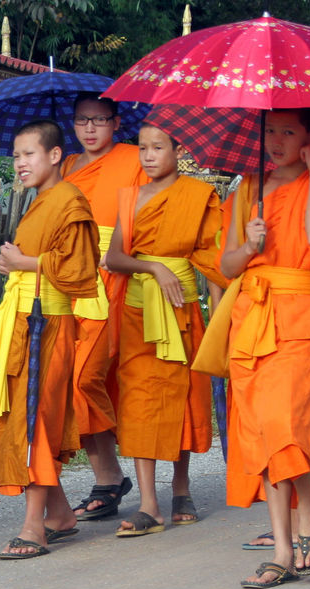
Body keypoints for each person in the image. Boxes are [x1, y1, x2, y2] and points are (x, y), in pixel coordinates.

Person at [207, 108, 310, 588]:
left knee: (285, 422)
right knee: (258, 431)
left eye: (288, 132)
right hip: (251, 318)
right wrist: (249, 247)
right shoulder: (246, 191)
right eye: (269, 131)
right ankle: (280, 549)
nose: (275, 142)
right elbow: (228, 267)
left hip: (301, 316)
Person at [0, 119, 101, 559]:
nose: (20, 163)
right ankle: (61, 515)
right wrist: (16, 264)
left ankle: (34, 527)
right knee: (24, 416)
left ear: (54, 155)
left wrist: (26, 262)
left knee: (35, 420)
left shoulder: (70, 200)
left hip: (47, 324)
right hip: (23, 322)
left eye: (28, 153)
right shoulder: (41, 200)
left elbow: (80, 270)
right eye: (16, 155)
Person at [105, 124, 227, 538]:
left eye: (158, 147)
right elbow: (115, 257)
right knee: (139, 401)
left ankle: (181, 487)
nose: (149, 156)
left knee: (181, 396)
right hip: (138, 313)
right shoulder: (131, 197)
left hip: (182, 310)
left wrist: (220, 311)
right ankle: (148, 503)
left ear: (179, 149)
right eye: (142, 148)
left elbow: (216, 258)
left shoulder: (198, 196)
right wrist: (153, 266)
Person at [59, 93, 148, 520]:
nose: (90, 129)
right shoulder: (67, 167)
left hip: (118, 279)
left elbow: (149, 211)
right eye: (82, 121)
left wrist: (115, 248)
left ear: (116, 122)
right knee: (72, 380)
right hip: (71, 282)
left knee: (94, 379)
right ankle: (108, 479)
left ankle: (122, 479)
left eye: (99, 120)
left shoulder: (135, 157)